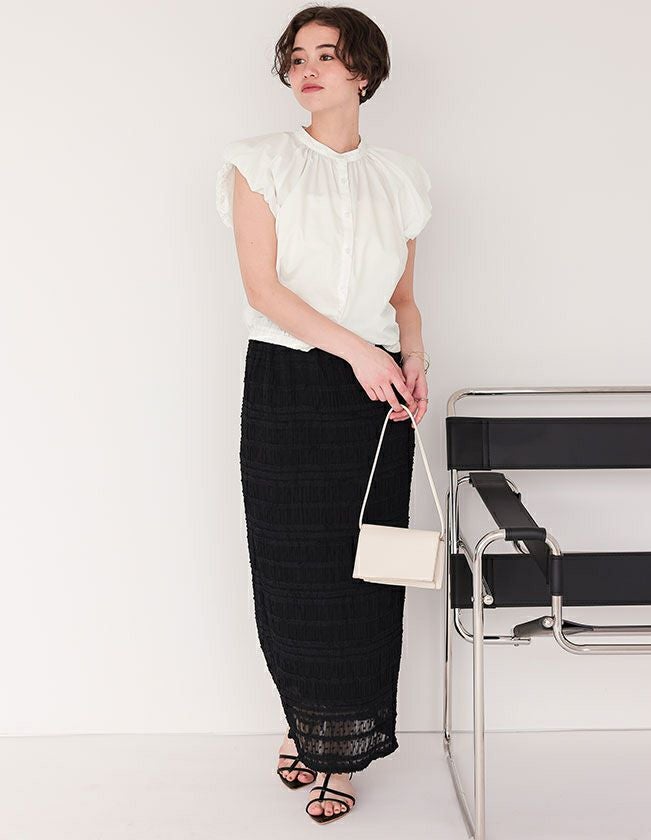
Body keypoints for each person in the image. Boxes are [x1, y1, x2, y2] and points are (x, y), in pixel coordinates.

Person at [215, 5, 432, 825]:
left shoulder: (401, 177)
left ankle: (342, 749)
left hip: (377, 395)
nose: (306, 69)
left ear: (363, 72)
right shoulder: (259, 163)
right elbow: (263, 289)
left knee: (366, 576)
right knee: (293, 572)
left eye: (327, 56)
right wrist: (362, 354)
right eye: (297, 56)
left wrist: (412, 356)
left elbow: (403, 298)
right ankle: (305, 725)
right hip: (289, 382)